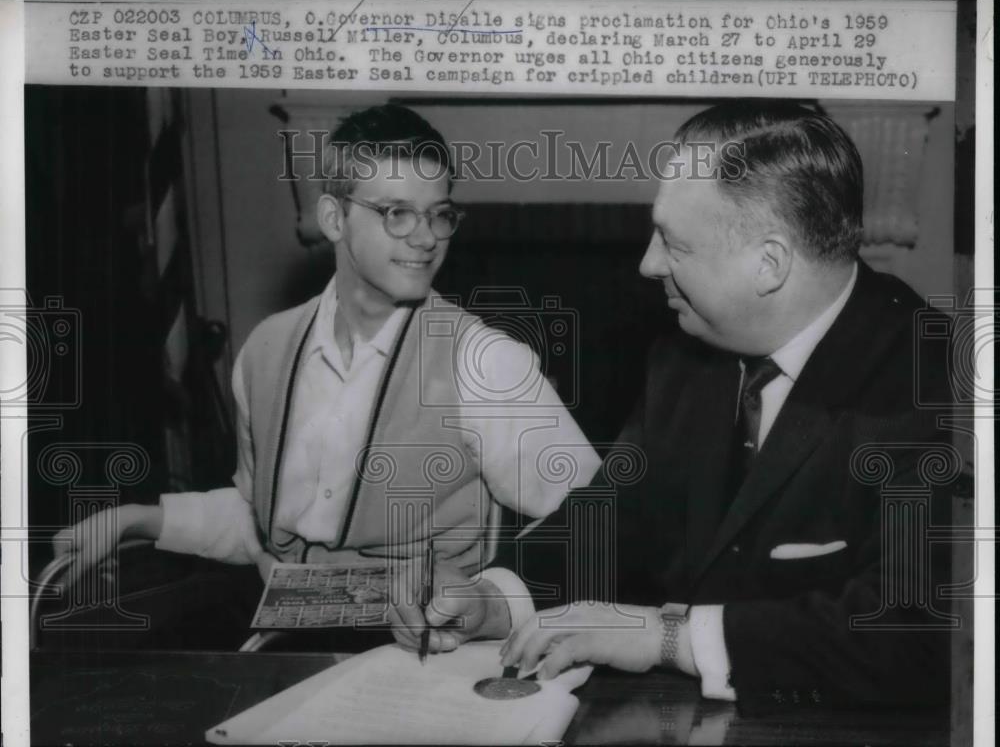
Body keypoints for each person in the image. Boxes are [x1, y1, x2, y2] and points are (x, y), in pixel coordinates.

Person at [390, 100, 955, 715]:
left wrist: (668, 639)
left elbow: (920, 635)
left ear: (769, 263)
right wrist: (493, 599)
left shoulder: (935, 383)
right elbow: (614, 516)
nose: (647, 263)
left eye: (673, 242)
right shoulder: (685, 358)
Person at [54, 104, 599, 586]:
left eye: (440, 214)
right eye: (397, 213)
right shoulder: (265, 351)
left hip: (432, 655)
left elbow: (597, 522)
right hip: (288, 644)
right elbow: (265, 526)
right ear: (334, 218)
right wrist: (135, 520)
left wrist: (489, 600)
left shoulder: (487, 363)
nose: (427, 237)